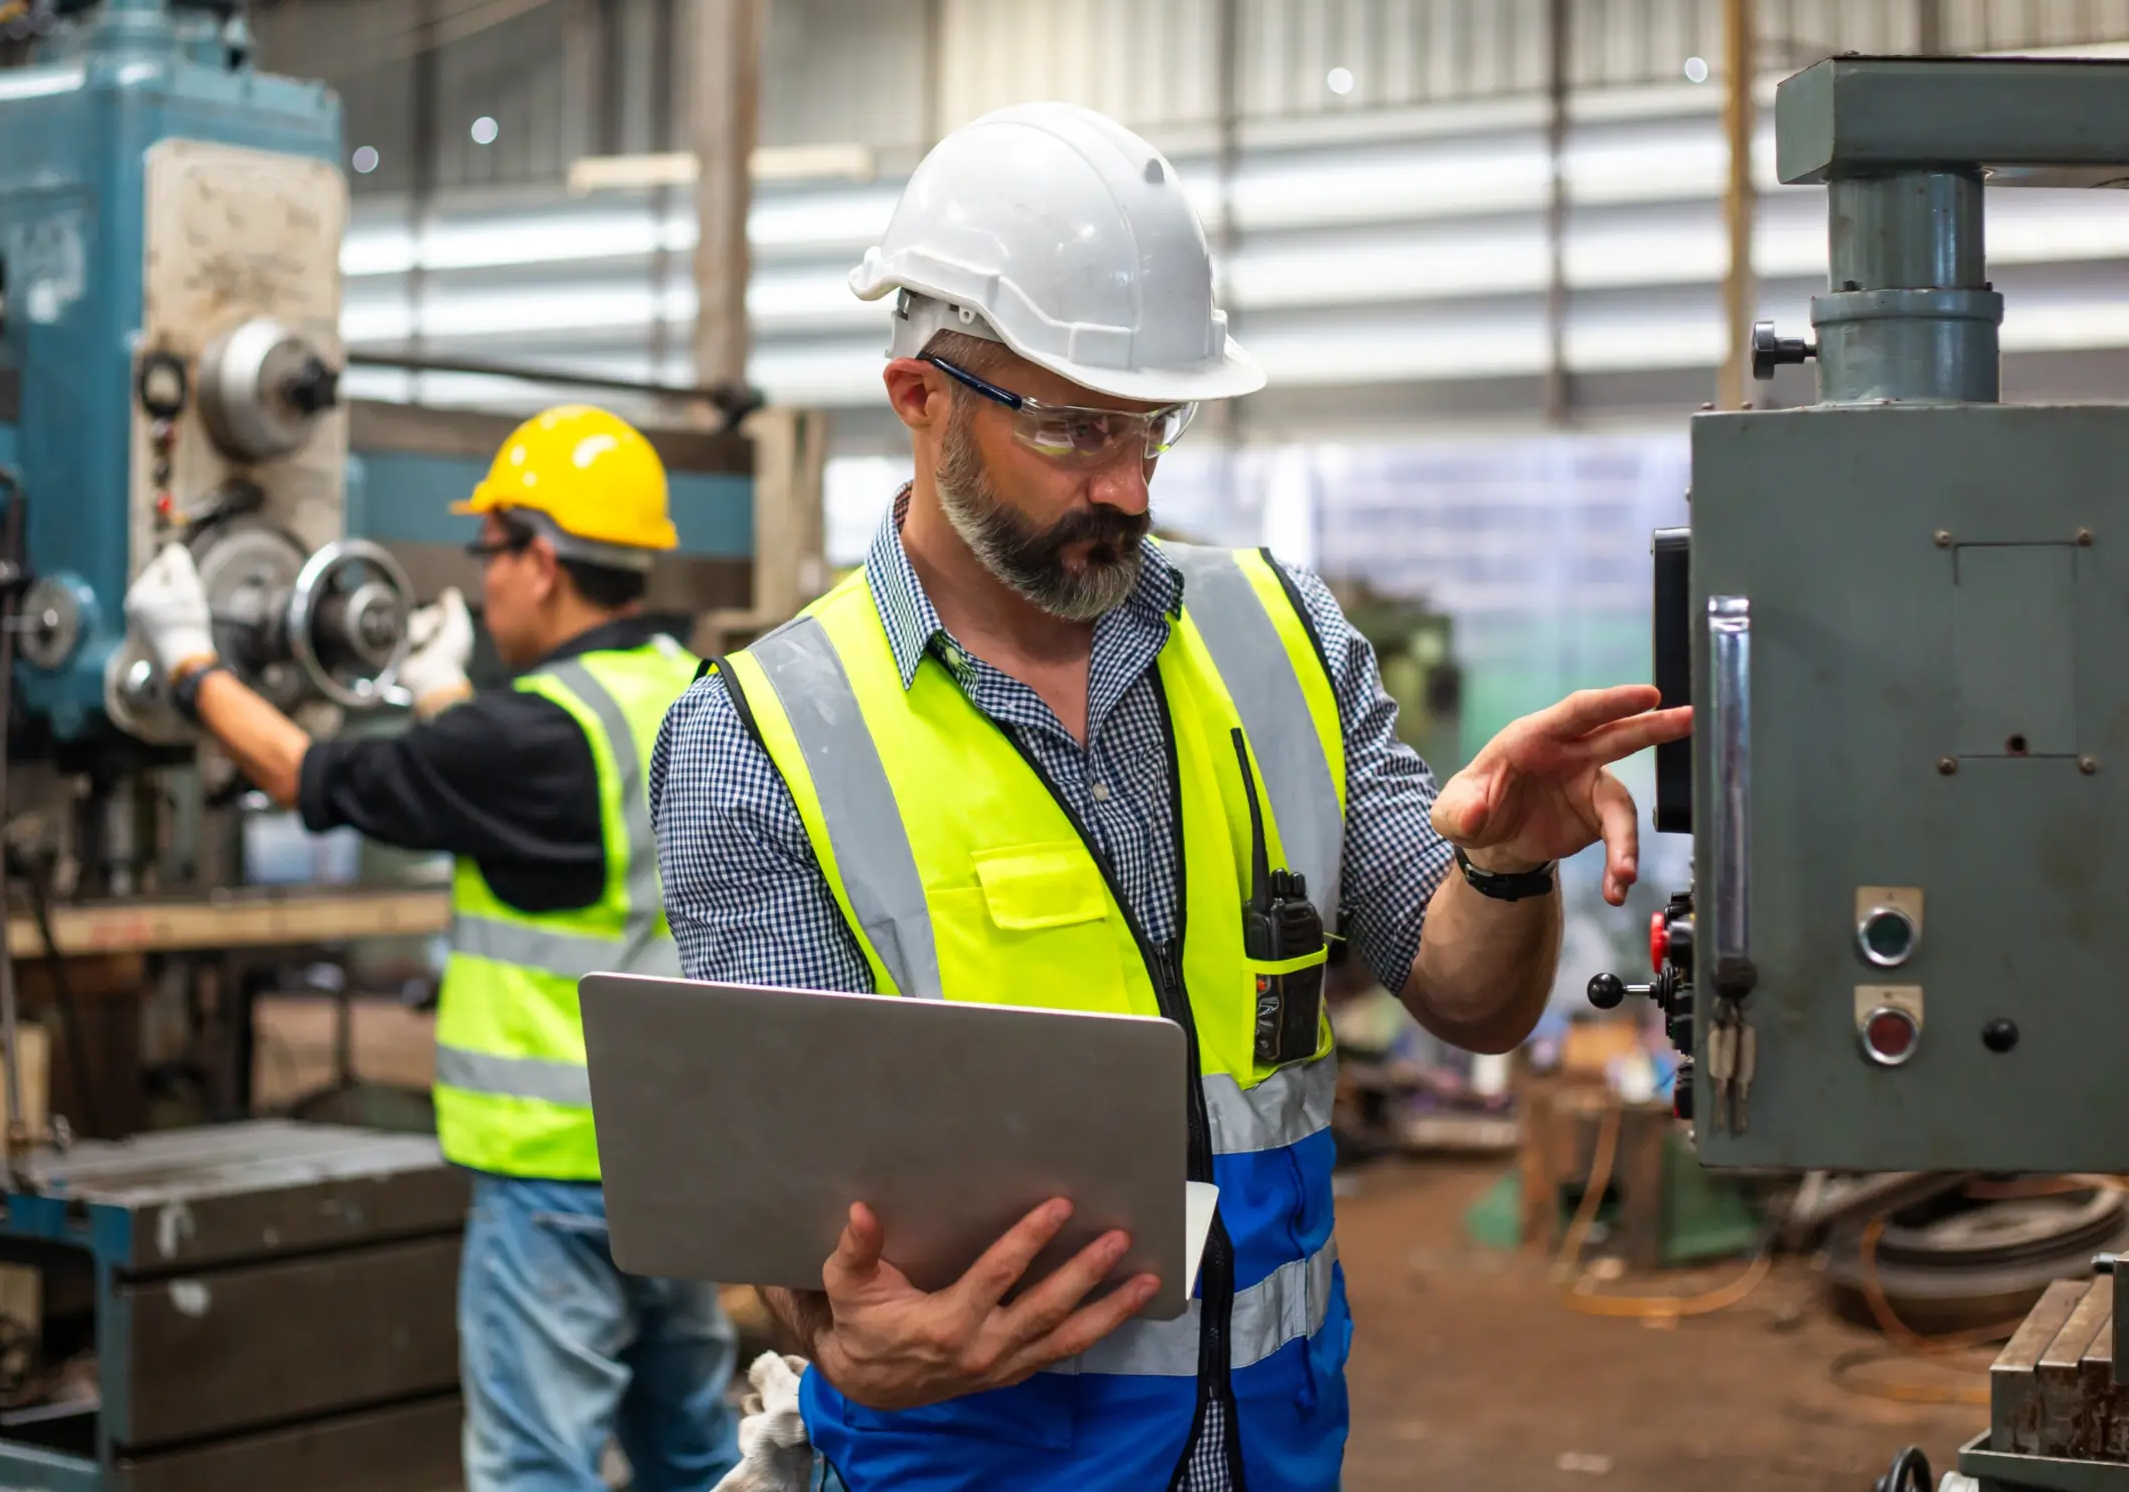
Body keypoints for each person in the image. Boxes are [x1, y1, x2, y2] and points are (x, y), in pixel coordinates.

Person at [650, 103, 1690, 1492]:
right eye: (1074, 426)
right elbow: (792, 1217)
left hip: (1271, 1451)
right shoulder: (765, 735)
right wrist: (843, 1341)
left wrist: (1502, 865)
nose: (1128, 484)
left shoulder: (1282, 635)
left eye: (1155, 425)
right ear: (920, 396)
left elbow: (1469, 996)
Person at [124, 404, 740, 1492]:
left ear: (541, 560)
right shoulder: (694, 695)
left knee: (535, 1472)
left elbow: (309, 776)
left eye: (488, 551)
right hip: (677, 1170)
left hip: (551, 1181)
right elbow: (506, 786)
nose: (483, 578)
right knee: (700, 1461)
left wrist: (188, 663)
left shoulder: (527, 732)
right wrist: (442, 684)